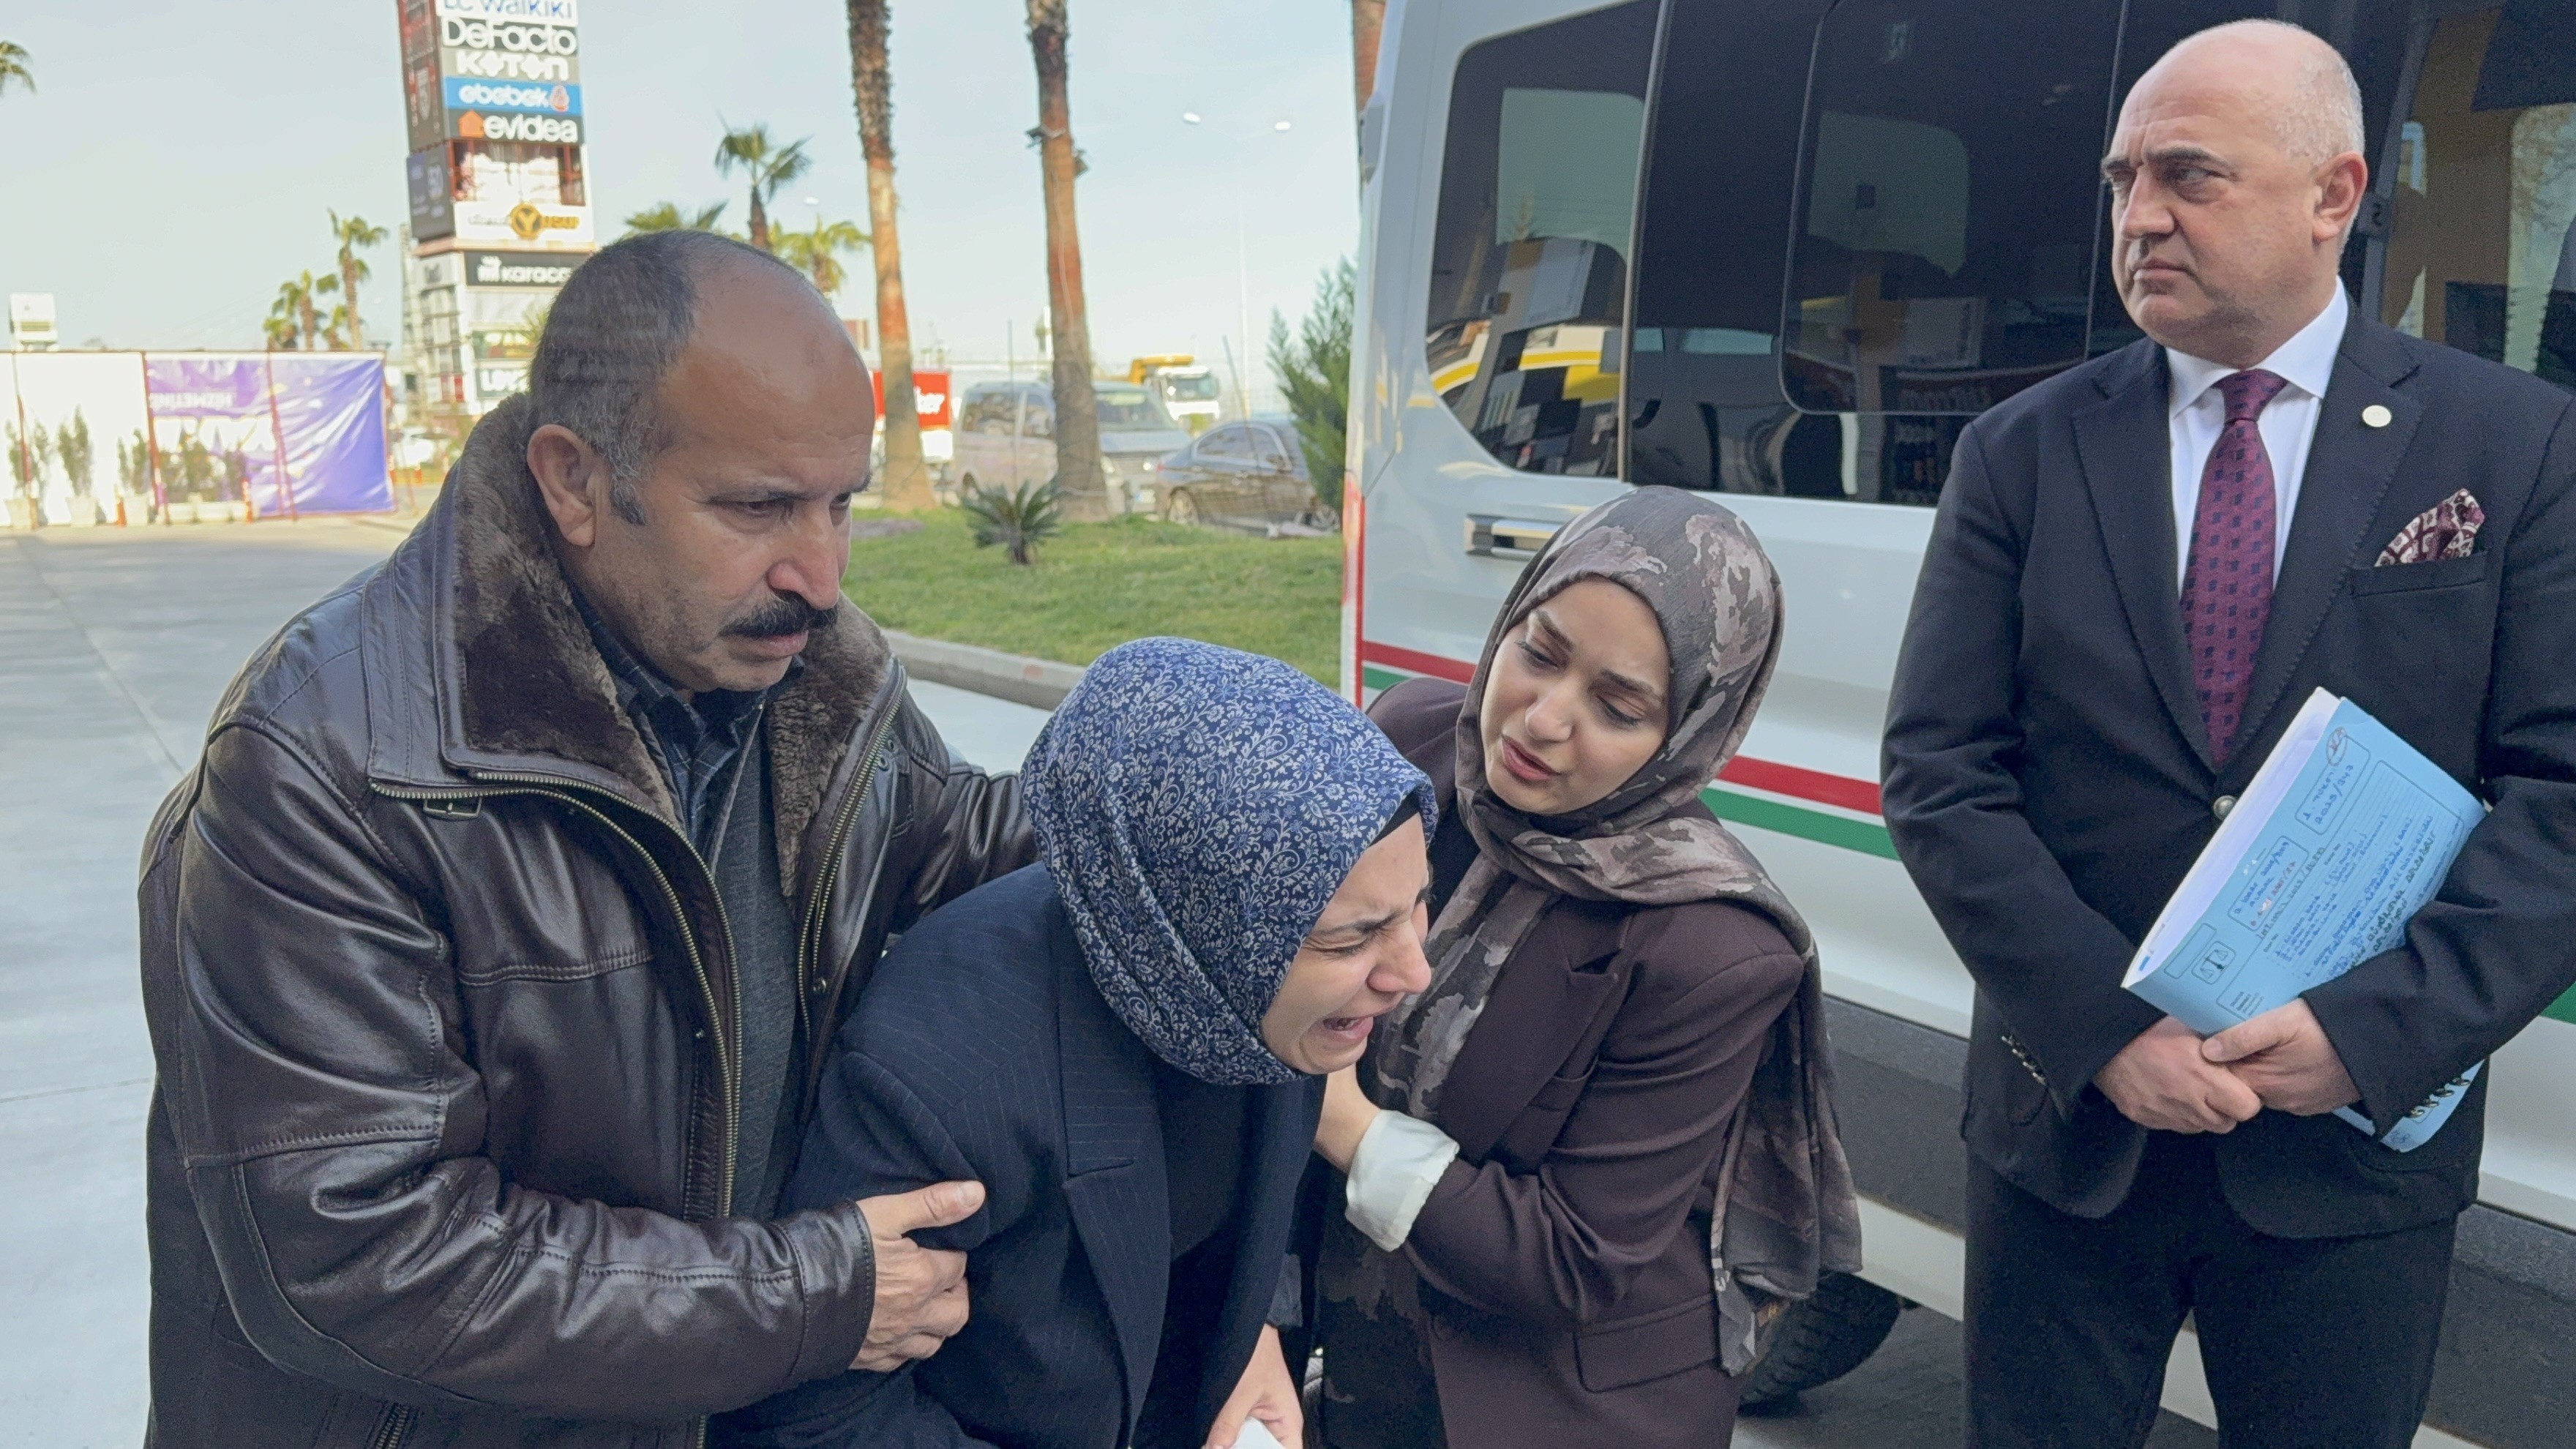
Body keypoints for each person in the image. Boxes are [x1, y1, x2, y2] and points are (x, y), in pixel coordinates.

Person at [138, 230, 1036, 1446]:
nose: (820, 574)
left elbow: (989, 854)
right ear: (573, 482)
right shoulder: (329, 759)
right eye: (759, 506)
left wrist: (1280, 815)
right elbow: (356, 1257)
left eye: (841, 506)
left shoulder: (824, 682)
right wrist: (805, 1301)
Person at [1882, 20, 2576, 1449]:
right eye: (2121, 180)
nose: (2137, 216)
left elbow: (2559, 794)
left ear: (2331, 193)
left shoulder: (2509, 451)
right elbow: (1939, 772)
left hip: (2345, 1159)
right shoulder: (2018, 452)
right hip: (2065, 1128)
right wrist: (2105, 1026)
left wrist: (2369, 1035)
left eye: (2185, 177)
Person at [721, 637, 1439, 1449]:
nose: (1412, 971)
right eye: (1352, 940)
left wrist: (1255, 1330)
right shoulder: (941, 1077)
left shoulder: (1263, 987)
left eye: (1417, 901)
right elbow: (815, 1417)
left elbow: (1252, 1203)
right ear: (1194, 929)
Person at [1300, 486, 1860, 1449]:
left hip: (1557, 1400)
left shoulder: (1714, 947)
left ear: (1689, 735)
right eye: (1540, 652)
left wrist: (1341, 1117)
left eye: (1618, 705)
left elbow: (1570, 1260)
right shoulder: (1412, 745)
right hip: (1367, 1353)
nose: (1543, 720)